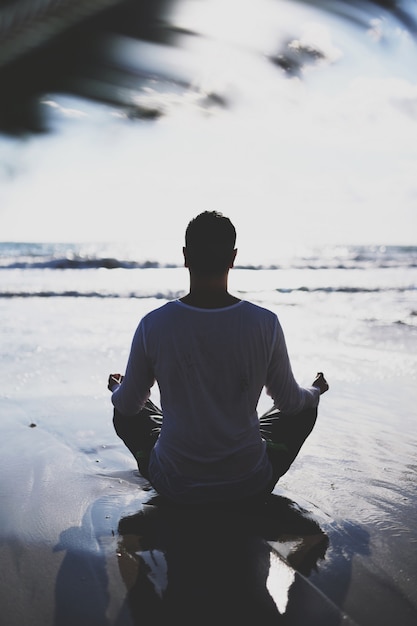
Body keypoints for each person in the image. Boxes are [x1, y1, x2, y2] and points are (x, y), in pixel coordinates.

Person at [108, 211, 328, 506]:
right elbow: (290, 403)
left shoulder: (154, 324)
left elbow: (126, 406)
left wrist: (116, 390)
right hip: (249, 482)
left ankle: (152, 460)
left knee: (127, 408)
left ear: (185, 256)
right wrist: (315, 390)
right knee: (305, 407)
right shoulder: (265, 323)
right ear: (233, 257)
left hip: (174, 482)